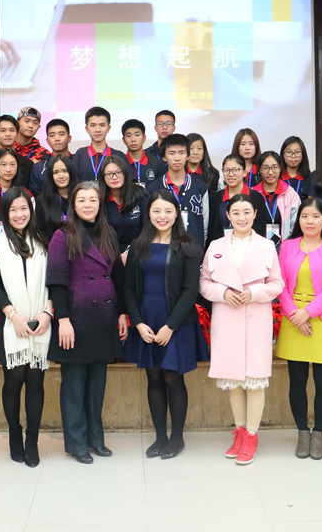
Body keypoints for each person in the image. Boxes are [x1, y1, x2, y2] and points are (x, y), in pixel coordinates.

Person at [199, 194, 284, 465]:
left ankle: (252, 435)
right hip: (227, 317)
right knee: (233, 378)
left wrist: (255, 292)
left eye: (246, 212)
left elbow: (277, 283)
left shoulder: (267, 246)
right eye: (236, 212)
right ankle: (239, 431)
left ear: (255, 214)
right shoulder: (215, 246)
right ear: (228, 216)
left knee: (255, 379)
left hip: (256, 316)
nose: (241, 217)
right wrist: (223, 293)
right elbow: (204, 282)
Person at [46, 181, 127, 464]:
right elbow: (56, 283)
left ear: (100, 203)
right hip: (76, 320)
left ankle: (96, 440)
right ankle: (77, 443)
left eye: (93, 200)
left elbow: (118, 278)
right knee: (74, 386)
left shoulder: (108, 233)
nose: (88, 205)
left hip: (104, 319)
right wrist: (63, 320)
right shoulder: (62, 235)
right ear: (73, 205)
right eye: (82, 200)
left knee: (96, 386)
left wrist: (121, 313)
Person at [123, 190, 207, 459]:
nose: (163, 216)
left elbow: (190, 290)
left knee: (173, 377)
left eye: (168, 211)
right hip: (147, 321)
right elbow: (128, 288)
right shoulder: (138, 246)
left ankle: (177, 438)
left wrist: (170, 326)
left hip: (176, 322)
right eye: (157, 211)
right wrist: (138, 323)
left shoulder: (189, 245)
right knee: (154, 377)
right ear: (149, 213)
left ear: (176, 213)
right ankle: (160, 437)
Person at [0, 187, 53, 467]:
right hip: (10, 324)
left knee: (36, 383)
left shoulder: (44, 241)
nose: (19, 214)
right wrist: (14, 316)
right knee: (13, 382)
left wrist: (47, 313)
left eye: (23, 208)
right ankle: (15, 435)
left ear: (31, 209)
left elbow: (54, 281)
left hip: (41, 322)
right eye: (13, 210)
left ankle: (32, 440)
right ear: (5, 213)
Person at [276, 199, 322, 460]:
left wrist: (308, 312)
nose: (309, 221)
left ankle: (318, 434)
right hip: (293, 318)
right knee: (297, 381)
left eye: (315, 216)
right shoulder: (287, 246)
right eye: (305, 216)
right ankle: (302, 433)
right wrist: (296, 315)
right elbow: (280, 283)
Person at [146, 134, 210, 248]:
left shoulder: (200, 187)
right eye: (172, 153)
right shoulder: (154, 188)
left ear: (188, 156)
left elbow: (205, 223)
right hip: (164, 250)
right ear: (164, 157)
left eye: (181, 153)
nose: (177, 158)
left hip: (194, 249)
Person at [209, 154, 269, 242]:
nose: (231, 174)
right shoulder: (216, 198)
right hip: (222, 247)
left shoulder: (256, 197)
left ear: (244, 172)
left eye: (236, 170)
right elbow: (213, 231)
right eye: (226, 170)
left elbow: (260, 229)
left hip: (250, 246)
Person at [97, 155, 146, 255]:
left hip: (138, 251)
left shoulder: (140, 193)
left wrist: (129, 252)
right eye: (109, 174)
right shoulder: (98, 199)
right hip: (108, 253)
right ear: (103, 177)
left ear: (125, 173)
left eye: (119, 172)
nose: (114, 177)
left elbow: (147, 228)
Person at [252, 150, 301, 247]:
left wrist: (287, 246)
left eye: (274, 167)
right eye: (265, 168)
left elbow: (296, 226)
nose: (270, 172)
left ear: (280, 168)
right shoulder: (252, 194)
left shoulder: (290, 194)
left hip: (285, 247)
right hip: (257, 248)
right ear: (259, 170)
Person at [72, 106, 125, 182]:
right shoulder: (80, 155)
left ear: (108, 128)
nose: (97, 130)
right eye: (93, 125)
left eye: (102, 125)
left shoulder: (119, 156)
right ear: (87, 128)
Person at [35, 155, 76, 243]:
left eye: (65, 171)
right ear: (50, 176)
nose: (61, 176)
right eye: (56, 172)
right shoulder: (42, 200)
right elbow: (42, 232)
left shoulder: (80, 196)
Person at [29, 118, 72, 196]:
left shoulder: (78, 162)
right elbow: (35, 196)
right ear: (47, 141)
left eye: (61, 134)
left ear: (69, 138)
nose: (57, 139)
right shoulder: (39, 168)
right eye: (52, 135)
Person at [0, 115, 32, 188]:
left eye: (12, 130)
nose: (8, 134)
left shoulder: (28, 164)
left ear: (17, 134)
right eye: (3, 130)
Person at [121, 118, 161, 185]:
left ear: (144, 138)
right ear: (123, 140)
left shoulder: (156, 163)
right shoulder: (120, 163)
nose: (133, 139)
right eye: (129, 136)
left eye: (137, 135)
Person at [280, 135, 311, 200]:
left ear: (303, 154)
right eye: (289, 152)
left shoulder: (310, 178)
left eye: (297, 152)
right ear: (283, 154)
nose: (293, 156)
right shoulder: (277, 178)